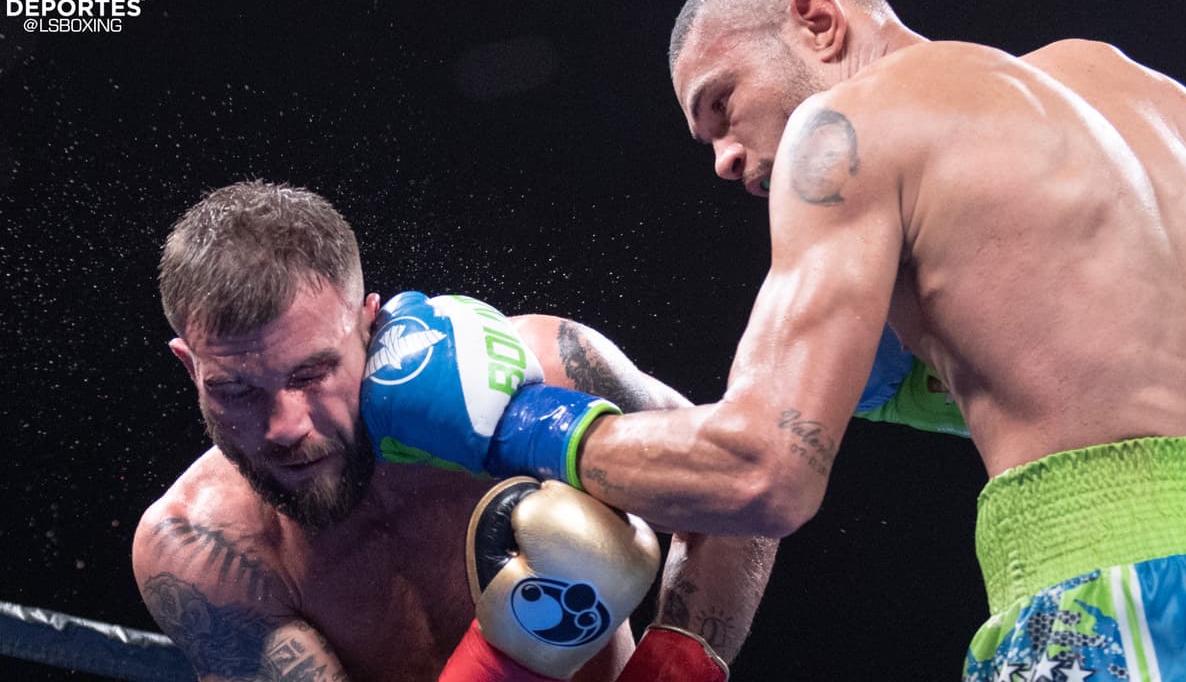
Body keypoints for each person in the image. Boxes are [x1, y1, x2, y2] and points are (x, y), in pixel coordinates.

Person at [377, 0, 1186, 679]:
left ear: (817, 21)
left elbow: (763, 473)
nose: (724, 158)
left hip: (1118, 603)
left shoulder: (849, 129)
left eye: (721, 106)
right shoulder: (1163, 107)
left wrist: (514, 421)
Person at [131, 180, 773, 681]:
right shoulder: (205, 549)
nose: (284, 427)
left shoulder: (540, 371)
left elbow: (740, 482)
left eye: (313, 373)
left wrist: (670, 676)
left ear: (367, 324)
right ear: (189, 367)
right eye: (235, 391)